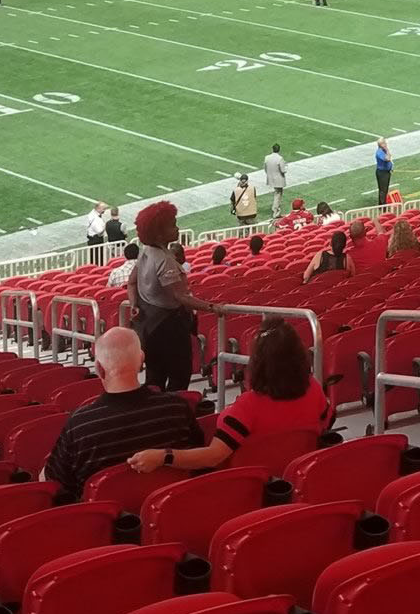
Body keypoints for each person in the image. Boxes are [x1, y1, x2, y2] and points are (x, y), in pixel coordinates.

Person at [128, 321, 331, 476]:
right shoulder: (314, 388)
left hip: (247, 489)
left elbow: (212, 456)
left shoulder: (247, 407)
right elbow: (326, 423)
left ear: (258, 364)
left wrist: (164, 456)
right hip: (293, 478)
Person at [43, 326, 200, 499]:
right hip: (171, 511)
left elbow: (54, 484)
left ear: (99, 368)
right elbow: (199, 459)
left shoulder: (79, 425)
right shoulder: (178, 408)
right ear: (141, 360)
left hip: (107, 523)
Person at [128, 201, 221, 392]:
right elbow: (181, 296)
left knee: (155, 378)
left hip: (149, 326)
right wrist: (213, 307)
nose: (177, 228)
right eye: (173, 224)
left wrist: (134, 304)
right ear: (159, 233)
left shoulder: (146, 252)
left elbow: (131, 281)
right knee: (179, 376)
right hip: (169, 329)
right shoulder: (165, 260)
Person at [263, 144, 288, 217]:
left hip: (270, 177)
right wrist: (286, 166)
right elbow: (283, 170)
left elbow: (265, 168)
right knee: (278, 194)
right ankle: (275, 210)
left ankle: (275, 209)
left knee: (277, 193)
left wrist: (269, 175)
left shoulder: (267, 157)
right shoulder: (280, 158)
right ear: (279, 149)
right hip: (279, 179)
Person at [374, 138, 394, 205]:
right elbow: (388, 159)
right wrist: (387, 149)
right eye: (384, 143)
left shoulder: (383, 151)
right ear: (381, 144)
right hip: (382, 173)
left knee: (384, 189)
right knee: (383, 190)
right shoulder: (379, 152)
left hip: (386, 172)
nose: (386, 144)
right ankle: (383, 206)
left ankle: (382, 204)